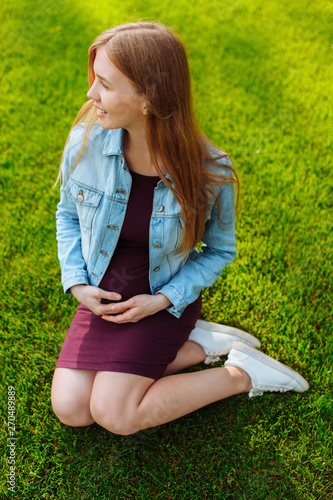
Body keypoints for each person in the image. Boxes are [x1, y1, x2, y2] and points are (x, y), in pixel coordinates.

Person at [51, 22, 309, 436]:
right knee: (72, 407)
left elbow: (220, 251)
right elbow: (66, 213)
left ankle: (241, 373)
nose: (90, 94)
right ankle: (198, 347)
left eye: (104, 84)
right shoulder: (87, 139)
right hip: (105, 289)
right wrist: (78, 284)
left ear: (148, 97)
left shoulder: (209, 170)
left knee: (114, 414)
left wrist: (163, 300)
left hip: (164, 295)